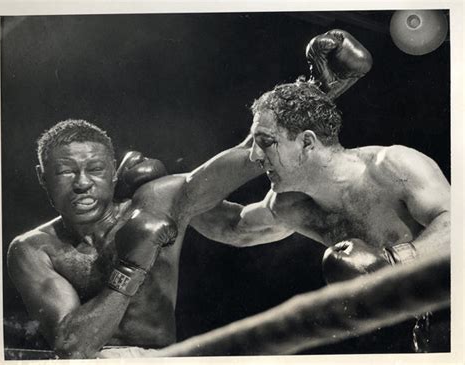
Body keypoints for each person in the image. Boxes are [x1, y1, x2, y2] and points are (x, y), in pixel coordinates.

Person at [190, 32, 450, 352]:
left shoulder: (393, 166)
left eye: (266, 142)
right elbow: (232, 227)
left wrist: (392, 261)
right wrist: (171, 195)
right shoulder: (291, 204)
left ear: (308, 142)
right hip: (410, 325)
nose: (255, 157)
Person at [7, 119, 261, 359]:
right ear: (42, 176)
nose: (82, 183)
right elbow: (74, 348)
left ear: (114, 171)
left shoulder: (157, 202)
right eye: (65, 172)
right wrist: (130, 269)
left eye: (95, 169)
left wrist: (277, 115)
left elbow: (252, 152)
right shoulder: (33, 249)